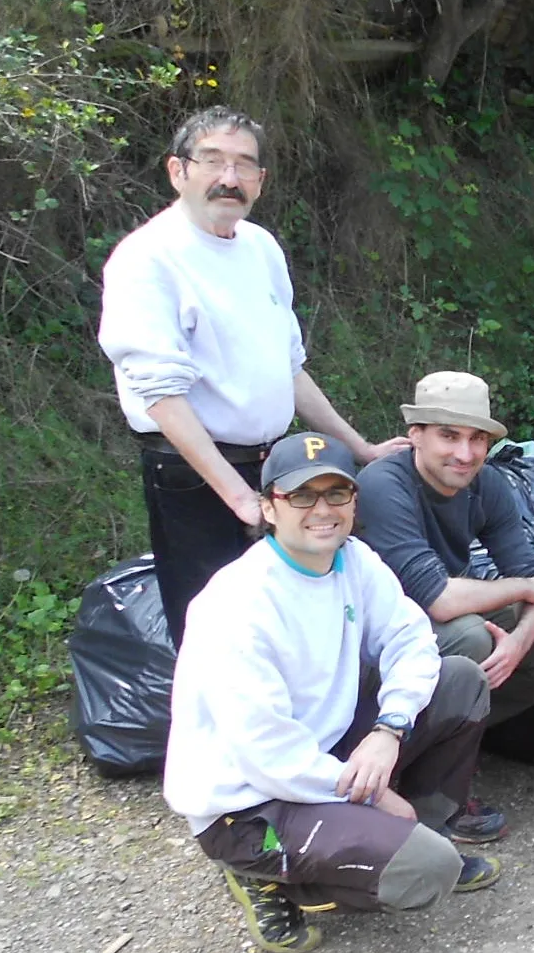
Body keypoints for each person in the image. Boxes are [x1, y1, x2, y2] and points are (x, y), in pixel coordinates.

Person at [163, 433, 500, 953]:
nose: (322, 510)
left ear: (353, 502)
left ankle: (423, 832)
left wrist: (389, 730)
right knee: (425, 875)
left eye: (336, 493)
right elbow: (269, 756)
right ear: (269, 507)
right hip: (252, 806)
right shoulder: (237, 605)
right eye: (302, 496)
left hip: (323, 756)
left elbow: (411, 639)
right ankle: (265, 875)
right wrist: (371, 792)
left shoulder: (353, 560)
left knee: (459, 679)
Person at [99, 106, 405, 645]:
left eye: (244, 166)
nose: (228, 178)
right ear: (178, 171)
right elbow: (160, 396)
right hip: (194, 478)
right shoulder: (147, 259)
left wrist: (361, 448)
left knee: (284, 624)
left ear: (260, 182)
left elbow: (288, 368)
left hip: (275, 471)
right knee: (216, 634)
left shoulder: (261, 248)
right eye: (212, 161)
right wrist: (238, 497)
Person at [355, 371, 534, 843]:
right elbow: (439, 598)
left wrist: (518, 643)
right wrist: (524, 590)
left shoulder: (487, 484)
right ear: (415, 435)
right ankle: (421, 780)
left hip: (435, 624)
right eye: (448, 436)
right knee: (470, 636)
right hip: (369, 643)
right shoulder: (383, 484)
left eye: (477, 439)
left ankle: (449, 735)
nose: (465, 454)